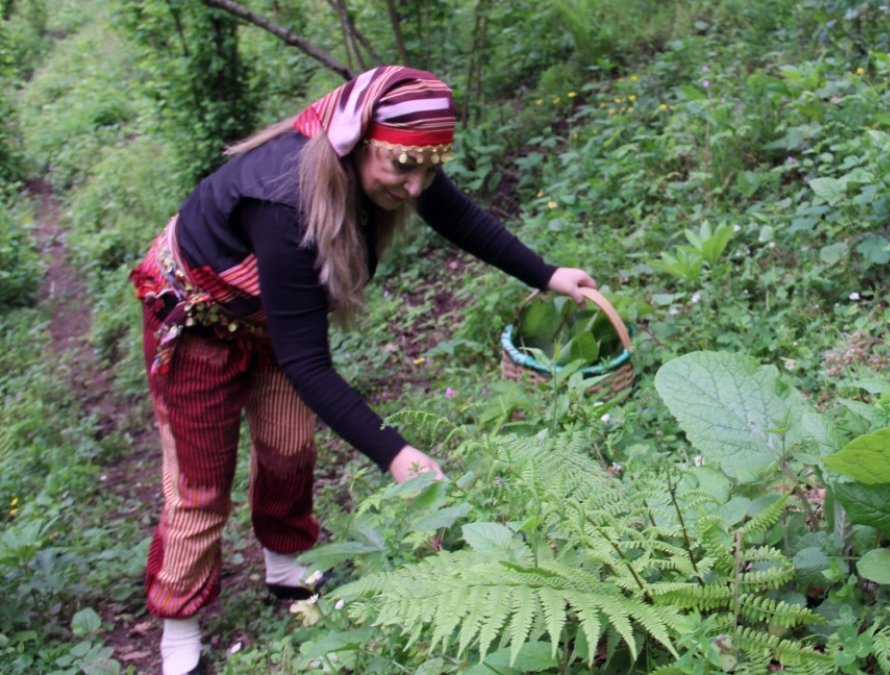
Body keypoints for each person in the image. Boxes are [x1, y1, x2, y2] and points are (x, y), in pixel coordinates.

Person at [129, 66, 595, 675]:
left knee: (291, 448)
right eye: (402, 168)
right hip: (195, 326)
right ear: (355, 145)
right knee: (199, 486)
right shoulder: (284, 204)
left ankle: (285, 566)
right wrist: (395, 452)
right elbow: (308, 363)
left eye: (427, 169)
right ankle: (178, 632)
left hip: (272, 320)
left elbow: (458, 217)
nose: (414, 185)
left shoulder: (403, 161)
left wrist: (547, 274)